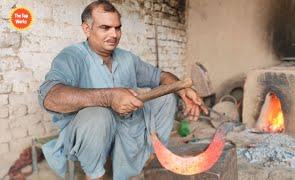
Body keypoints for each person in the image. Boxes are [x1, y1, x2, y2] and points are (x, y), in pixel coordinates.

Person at [38, 0, 208, 179]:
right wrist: (109, 97)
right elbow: (50, 96)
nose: (114, 34)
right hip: (90, 133)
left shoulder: (127, 58)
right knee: (98, 116)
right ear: (87, 29)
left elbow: (160, 76)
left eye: (117, 28)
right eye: (105, 27)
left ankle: (150, 158)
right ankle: (94, 174)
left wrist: (181, 90)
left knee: (166, 97)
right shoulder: (72, 57)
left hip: (126, 128)